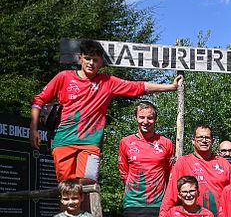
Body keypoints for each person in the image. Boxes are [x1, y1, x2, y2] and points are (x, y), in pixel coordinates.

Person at [30, 39, 181, 182]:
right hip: (63, 141)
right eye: (88, 58)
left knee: (88, 185)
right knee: (67, 189)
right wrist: (33, 129)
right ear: (80, 58)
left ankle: (88, 211)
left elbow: (139, 87)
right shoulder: (64, 77)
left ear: (101, 62)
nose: (91, 63)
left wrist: (171, 87)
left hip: (90, 144)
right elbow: (39, 100)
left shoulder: (107, 82)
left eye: (95, 60)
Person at [118, 100, 174, 217]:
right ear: (135, 118)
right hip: (133, 204)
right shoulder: (126, 142)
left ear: (155, 119)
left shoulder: (165, 143)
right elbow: (124, 171)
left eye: (150, 118)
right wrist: (135, 190)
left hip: (158, 205)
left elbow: (169, 173)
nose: (145, 121)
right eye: (141, 117)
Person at [160, 124, 231, 217]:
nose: (204, 141)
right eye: (200, 137)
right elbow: (171, 196)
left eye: (207, 138)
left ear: (213, 141)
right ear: (193, 140)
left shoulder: (224, 164)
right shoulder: (183, 163)